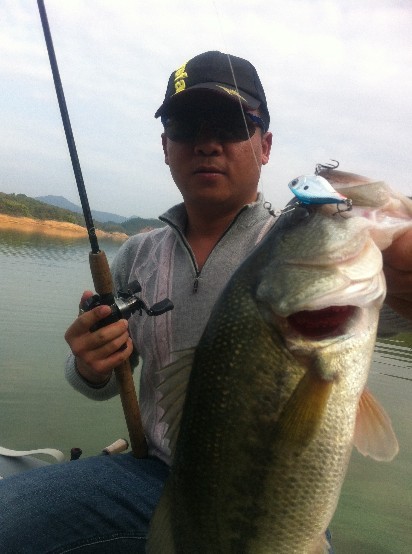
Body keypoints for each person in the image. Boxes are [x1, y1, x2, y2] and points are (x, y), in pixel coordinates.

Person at [0, 50, 411, 553]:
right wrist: (89, 366)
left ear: (265, 146)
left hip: (273, 495)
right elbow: (99, 383)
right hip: (150, 475)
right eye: (185, 126)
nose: (207, 143)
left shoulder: (302, 254)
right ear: (165, 147)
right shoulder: (137, 254)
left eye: (231, 125)